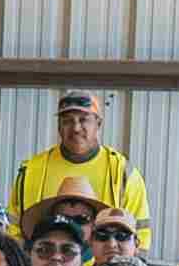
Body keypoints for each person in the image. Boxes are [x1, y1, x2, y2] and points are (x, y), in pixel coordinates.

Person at [11, 91, 145, 241]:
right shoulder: (32, 170)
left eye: (83, 120)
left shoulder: (122, 172)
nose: (75, 128)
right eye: (67, 121)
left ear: (98, 124)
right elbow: (14, 228)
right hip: (44, 262)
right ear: (59, 126)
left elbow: (140, 234)